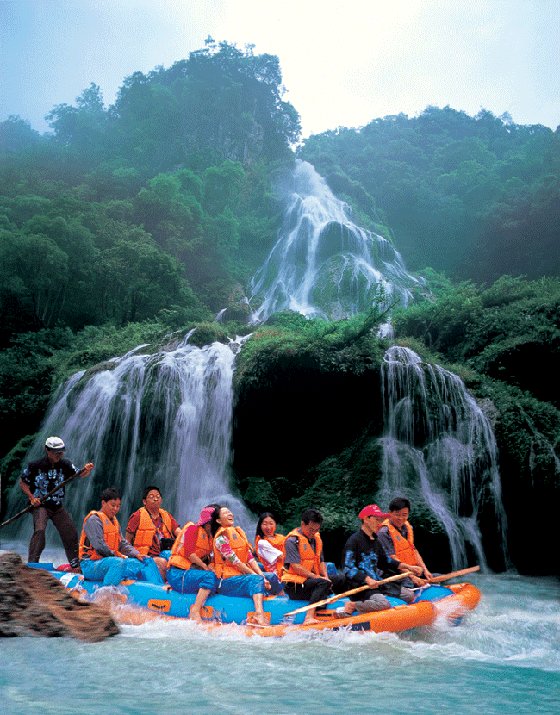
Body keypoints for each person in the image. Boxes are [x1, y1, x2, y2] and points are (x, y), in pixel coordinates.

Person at [19, 436, 94, 570]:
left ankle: (75, 565)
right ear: (47, 450)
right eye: (56, 452)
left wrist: (86, 470)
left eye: (61, 452)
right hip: (40, 505)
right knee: (40, 530)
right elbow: (23, 482)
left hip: (57, 506)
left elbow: (79, 474)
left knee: (70, 531)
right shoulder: (35, 466)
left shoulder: (65, 464)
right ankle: (32, 564)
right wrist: (31, 498)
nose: (59, 455)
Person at [338, 504, 416, 616]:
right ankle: (352, 605)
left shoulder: (375, 540)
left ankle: (377, 599)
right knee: (383, 604)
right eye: (376, 519)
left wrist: (409, 567)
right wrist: (367, 579)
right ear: (366, 519)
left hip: (377, 582)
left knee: (409, 595)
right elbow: (348, 568)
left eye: (381, 519)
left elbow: (385, 561)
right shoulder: (353, 541)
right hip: (360, 585)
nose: (379, 522)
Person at [79, 487, 163, 587]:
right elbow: (99, 547)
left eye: (118, 506)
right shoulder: (93, 520)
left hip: (110, 561)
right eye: (113, 505)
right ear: (103, 503)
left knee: (146, 561)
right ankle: (106, 593)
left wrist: (136, 554)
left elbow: (122, 543)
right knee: (118, 562)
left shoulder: (114, 522)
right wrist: (117, 555)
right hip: (90, 564)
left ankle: (158, 589)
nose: (115, 509)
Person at [212, 506, 281, 626]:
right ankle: (259, 614)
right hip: (226, 581)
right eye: (225, 513)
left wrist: (262, 576)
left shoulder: (238, 533)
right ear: (218, 520)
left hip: (241, 577)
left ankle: (284, 604)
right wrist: (258, 577)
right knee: (256, 579)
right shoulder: (220, 538)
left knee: (271, 576)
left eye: (230, 511)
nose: (230, 514)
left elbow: (250, 559)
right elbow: (235, 561)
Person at [282, 508, 344, 625]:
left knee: (340, 579)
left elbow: (321, 562)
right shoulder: (292, 541)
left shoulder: (316, 539)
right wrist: (317, 578)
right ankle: (309, 617)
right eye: (310, 529)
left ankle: (343, 606)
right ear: (302, 524)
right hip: (295, 586)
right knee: (322, 583)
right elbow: (295, 566)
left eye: (316, 530)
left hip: (311, 582)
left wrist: (326, 577)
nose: (313, 533)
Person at [167, 504, 220, 622]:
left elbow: (211, 559)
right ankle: (195, 610)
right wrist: (205, 567)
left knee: (215, 575)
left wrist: (211, 566)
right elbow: (190, 554)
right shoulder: (192, 529)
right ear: (208, 523)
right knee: (209, 576)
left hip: (191, 574)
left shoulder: (210, 537)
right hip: (178, 574)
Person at [125, 486, 180, 579]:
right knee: (162, 563)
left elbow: (179, 532)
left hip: (164, 551)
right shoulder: (137, 516)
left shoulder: (166, 515)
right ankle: (161, 587)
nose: (155, 499)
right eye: (151, 497)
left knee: (175, 558)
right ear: (144, 501)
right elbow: (127, 540)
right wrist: (132, 556)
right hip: (145, 556)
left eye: (158, 497)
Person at [376, 497, 433, 582]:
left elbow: (413, 550)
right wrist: (413, 578)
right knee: (408, 590)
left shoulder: (407, 527)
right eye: (397, 514)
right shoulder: (384, 532)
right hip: (395, 572)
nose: (400, 518)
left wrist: (425, 570)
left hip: (412, 569)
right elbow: (392, 559)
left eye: (404, 515)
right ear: (390, 513)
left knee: (436, 578)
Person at [254, 512, 285, 578]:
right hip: (278, 574)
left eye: (271, 523)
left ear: (275, 524)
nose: (268, 527)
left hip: (289, 568)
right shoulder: (262, 543)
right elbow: (281, 557)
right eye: (265, 524)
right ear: (260, 526)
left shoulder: (281, 537)